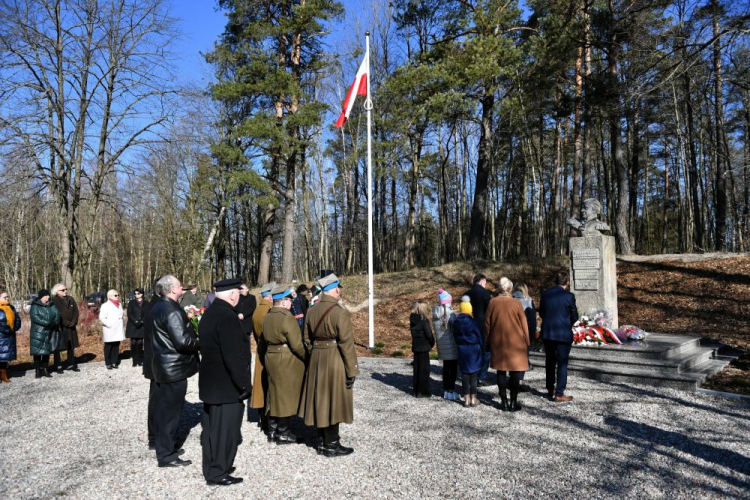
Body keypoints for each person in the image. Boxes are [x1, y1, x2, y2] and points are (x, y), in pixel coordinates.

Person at [299, 273, 359, 457]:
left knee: (320, 399)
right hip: (334, 359)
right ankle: (332, 445)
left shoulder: (312, 310)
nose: (340, 291)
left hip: (317, 357)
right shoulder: (339, 312)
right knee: (333, 401)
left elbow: (307, 339)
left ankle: (322, 442)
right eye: (338, 288)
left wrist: (316, 353)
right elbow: (346, 344)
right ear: (333, 289)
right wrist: (352, 370)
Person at [198, 278, 250, 486]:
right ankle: (219, 472)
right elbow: (234, 357)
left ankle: (213, 467)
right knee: (225, 432)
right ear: (233, 295)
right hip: (226, 385)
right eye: (237, 292)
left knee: (212, 430)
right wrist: (245, 384)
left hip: (211, 383)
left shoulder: (210, 313)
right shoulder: (227, 317)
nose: (238, 295)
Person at [150, 274, 200, 467]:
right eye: (180, 286)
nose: (182, 289)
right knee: (170, 414)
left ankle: (166, 447)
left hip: (164, 366)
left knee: (165, 411)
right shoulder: (170, 310)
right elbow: (182, 341)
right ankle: (166, 456)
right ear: (171, 289)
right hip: (173, 369)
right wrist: (202, 343)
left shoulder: (159, 306)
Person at [262, 284, 307, 445]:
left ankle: (272, 430)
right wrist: (306, 358)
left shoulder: (267, 316)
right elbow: (296, 344)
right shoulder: (286, 317)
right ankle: (284, 432)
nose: (290, 303)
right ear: (282, 302)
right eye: (288, 300)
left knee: (273, 394)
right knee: (285, 396)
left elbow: (262, 342)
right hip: (285, 359)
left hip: (271, 356)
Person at [485, 277, 530, 412]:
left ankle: (503, 401)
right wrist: (527, 340)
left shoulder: (493, 302)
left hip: (498, 341)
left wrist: (487, 340)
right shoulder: (516, 303)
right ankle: (513, 401)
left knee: (501, 370)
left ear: (499, 288)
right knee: (515, 371)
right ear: (510, 289)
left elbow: (487, 323)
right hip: (515, 342)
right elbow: (524, 323)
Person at [539, 271, 578, 402]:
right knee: (562, 363)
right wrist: (567, 324)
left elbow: (542, 313)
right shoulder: (569, 296)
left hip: (548, 333)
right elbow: (575, 316)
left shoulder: (545, 295)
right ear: (567, 282)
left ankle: (550, 388)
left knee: (549, 361)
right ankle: (559, 393)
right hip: (562, 333)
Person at [250, 281, 275, 440]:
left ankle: (263, 418)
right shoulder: (268, 311)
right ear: (271, 295)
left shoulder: (258, 309)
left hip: (261, 350)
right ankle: (269, 423)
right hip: (268, 351)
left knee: (262, 386)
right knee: (269, 387)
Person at [452, 299, 484, 407]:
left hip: (462, 349)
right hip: (473, 349)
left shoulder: (456, 322)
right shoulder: (473, 322)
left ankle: (466, 399)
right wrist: (481, 346)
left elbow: (455, 336)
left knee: (464, 373)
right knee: (474, 374)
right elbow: (479, 336)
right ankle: (474, 398)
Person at [143, 281, 162, 451]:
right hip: (157, 362)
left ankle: (156, 438)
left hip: (156, 361)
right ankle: (155, 439)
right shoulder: (155, 307)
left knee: (158, 400)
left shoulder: (155, 305)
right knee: (157, 401)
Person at [433, 290, 461, 401]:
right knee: (453, 369)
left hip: (442, 347)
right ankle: (451, 390)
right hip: (451, 347)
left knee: (446, 368)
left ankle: (446, 390)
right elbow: (456, 329)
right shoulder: (450, 314)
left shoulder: (435, 313)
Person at [465, 274, 492, 385]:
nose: (485, 285)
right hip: (483, 327)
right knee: (486, 351)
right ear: (481, 282)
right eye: (485, 283)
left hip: (469, 326)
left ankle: (472, 375)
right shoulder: (486, 294)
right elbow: (490, 312)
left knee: (472, 351)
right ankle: (482, 376)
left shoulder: (466, 294)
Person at [29, 289, 60, 379]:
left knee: (47, 352)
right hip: (38, 332)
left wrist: (55, 322)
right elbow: (35, 317)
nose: (48, 297)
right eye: (46, 295)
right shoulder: (35, 306)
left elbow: (57, 314)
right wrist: (47, 323)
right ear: (41, 297)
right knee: (38, 352)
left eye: (48, 295)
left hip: (50, 331)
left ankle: (45, 369)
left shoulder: (52, 305)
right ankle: (38, 370)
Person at [512, 282, 537, 391]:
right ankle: (520, 381)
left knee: (512, 356)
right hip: (523, 333)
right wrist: (532, 336)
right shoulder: (528, 301)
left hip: (510, 332)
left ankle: (513, 379)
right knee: (523, 357)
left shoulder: (510, 300)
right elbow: (532, 320)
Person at [51, 283, 80, 372]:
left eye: (66, 289)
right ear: (57, 292)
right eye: (63, 290)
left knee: (71, 345)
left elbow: (76, 311)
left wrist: (74, 322)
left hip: (71, 327)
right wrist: (66, 323)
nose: (65, 291)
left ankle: (71, 363)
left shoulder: (70, 299)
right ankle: (58, 365)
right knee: (58, 347)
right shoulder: (54, 301)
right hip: (60, 327)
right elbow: (56, 314)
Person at [410, 300, 434, 398]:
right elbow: (429, 334)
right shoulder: (424, 321)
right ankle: (423, 390)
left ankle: (416, 390)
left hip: (416, 346)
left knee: (417, 369)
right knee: (424, 370)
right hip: (424, 347)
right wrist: (432, 342)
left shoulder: (413, 320)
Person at [99, 289, 125, 370]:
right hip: (109, 329)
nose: (117, 297)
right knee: (108, 346)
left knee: (116, 345)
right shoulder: (105, 305)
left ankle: (114, 362)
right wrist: (109, 324)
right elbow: (102, 318)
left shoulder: (119, 304)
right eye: (115, 295)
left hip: (118, 328)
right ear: (110, 296)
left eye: (118, 295)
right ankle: (108, 362)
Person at [0, 290, 21, 383]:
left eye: (7, 297)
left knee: (5, 357)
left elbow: (17, 319)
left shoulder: (11, 308)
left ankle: (4, 375)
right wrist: (7, 330)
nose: (7, 298)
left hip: (9, 336)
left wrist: (14, 328)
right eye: (5, 297)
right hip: (1, 335)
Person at [126, 288, 148, 367]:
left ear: (142, 294)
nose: (136, 295)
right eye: (135, 294)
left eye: (138, 293)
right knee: (133, 342)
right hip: (133, 325)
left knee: (140, 342)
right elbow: (129, 313)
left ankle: (139, 360)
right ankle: (134, 361)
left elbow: (147, 314)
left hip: (142, 325)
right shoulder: (131, 303)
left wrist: (142, 321)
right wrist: (135, 321)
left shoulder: (146, 303)